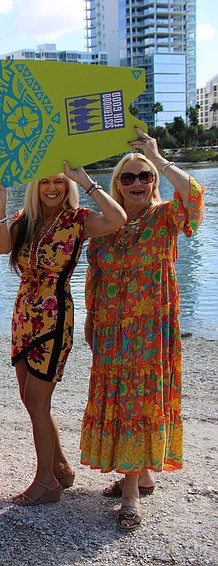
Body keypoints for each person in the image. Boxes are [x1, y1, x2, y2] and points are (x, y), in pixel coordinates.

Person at [80, 128, 205, 532]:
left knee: (139, 401)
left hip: (152, 331)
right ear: (117, 183)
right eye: (129, 177)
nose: (138, 183)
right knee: (124, 401)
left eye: (145, 176)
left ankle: (131, 493)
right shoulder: (104, 225)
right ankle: (142, 474)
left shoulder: (166, 217)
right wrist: (90, 321)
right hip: (113, 331)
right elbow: (93, 280)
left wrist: (159, 157)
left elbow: (195, 197)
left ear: (154, 182)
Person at [0, 162, 126, 506]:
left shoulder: (79, 219)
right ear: (36, 186)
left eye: (60, 182)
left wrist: (86, 181)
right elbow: (2, 247)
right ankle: (61, 468)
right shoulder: (26, 218)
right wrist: (1, 209)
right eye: (46, 182)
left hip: (54, 318)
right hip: (23, 315)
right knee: (28, 397)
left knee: (38, 400)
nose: (53, 188)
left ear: (68, 186)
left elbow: (117, 219)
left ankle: (46, 481)